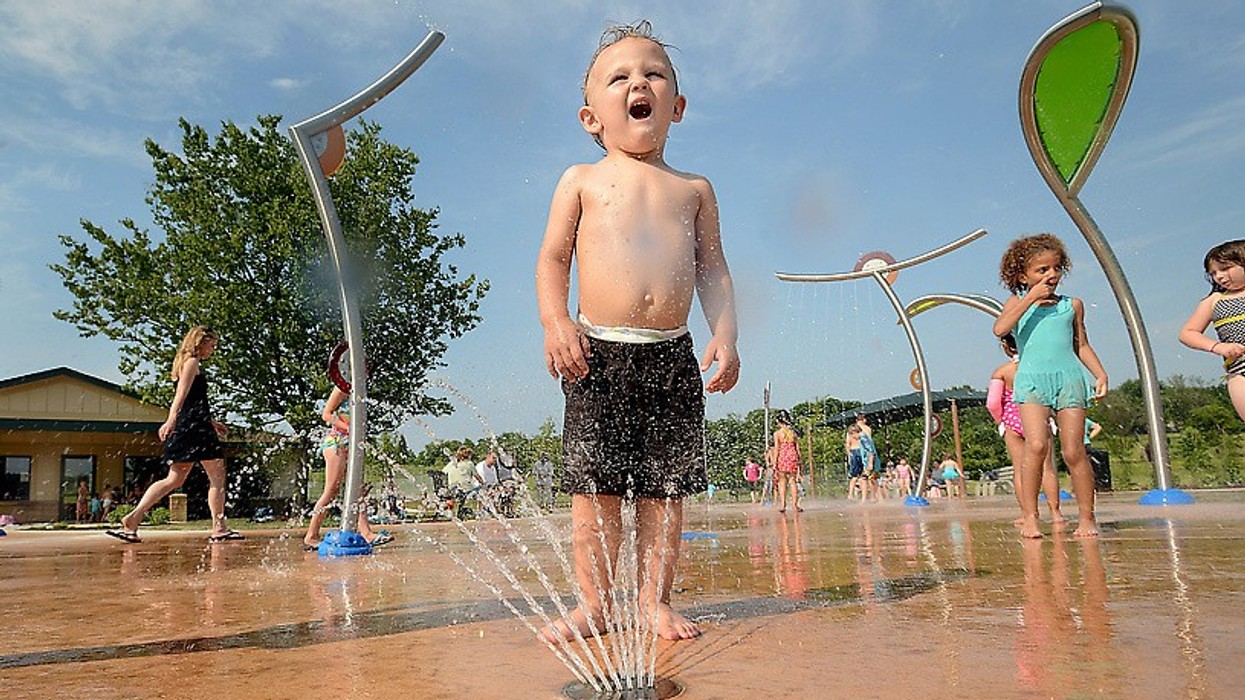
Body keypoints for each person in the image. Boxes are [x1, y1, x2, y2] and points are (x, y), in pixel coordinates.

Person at [535, 20, 739, 643]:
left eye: (653, 74)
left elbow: (713, 269)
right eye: (618, 78)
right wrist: (556, 321)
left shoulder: (694, 189)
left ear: (676, 106)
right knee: (593, 490)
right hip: (596, 354)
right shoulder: (581, 179)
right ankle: (594, 605)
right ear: (590, 117)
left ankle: (654, 602)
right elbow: (553, 259)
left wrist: (725, 334)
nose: (638, 84)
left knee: (664, 491)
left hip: (671, 356)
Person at [993, 234, 1108, 539]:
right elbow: (1000, 329)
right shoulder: (1017, 303)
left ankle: (1087, 517)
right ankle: (1031, 516)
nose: (1051, 275)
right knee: (1036, 446)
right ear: (1023, 276)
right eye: (1042, 270)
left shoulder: (1072, 305)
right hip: (1032, 381)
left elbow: (1081, 344)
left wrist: (1100, 374)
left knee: (1074, 451)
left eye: (1056, 268)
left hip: (1069, 379)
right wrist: (1030, 298)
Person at [108, 326, 242, 543]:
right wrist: (171, 419)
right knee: (217, 476)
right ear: (200, 342)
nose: (213, 349)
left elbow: (192, 402)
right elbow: (181, 396)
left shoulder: (183, 363)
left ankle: (133, 518)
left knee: (174, 479)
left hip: (192, 425)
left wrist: (210, 422)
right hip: (194, 429)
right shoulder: (192, 362)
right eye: (212, 345)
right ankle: (219, 528)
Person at [986, 333, 1065, 525]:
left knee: (1020, 469)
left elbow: (992, 403)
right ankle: (1055, 513)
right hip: (1040, 420)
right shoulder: (1041, 368)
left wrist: (1001, 421)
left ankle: (1028, 513)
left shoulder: (1002, 372)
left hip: (1013, 422)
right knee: (1047, 468)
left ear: (1006, 346)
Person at [302, 387, 394, 551]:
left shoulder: (360, 390)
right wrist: (350, 429)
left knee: (358, 491)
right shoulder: (342, 388)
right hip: (336, 444)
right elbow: (327, 414)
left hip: (350, 445)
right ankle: (311, 535)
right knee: (331, 490)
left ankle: (366, 533)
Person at [1179, 240, 1245, 422]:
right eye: (1213, 273)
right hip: (1240, 371)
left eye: (1225, 268)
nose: (1219, 277)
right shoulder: (1214, 301)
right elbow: (1187, 333)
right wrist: (1218, 347)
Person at [772, 411, 803, 513]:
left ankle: (783, 505)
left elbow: (777, 449)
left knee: (782, 482)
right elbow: (797, 449)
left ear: (778, 421)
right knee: (792, 481)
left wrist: (774, 463)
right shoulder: (793, 433)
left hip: (782, 457)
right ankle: (795, 505)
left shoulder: (777, 434)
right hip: (792, 456)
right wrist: (800, 461)